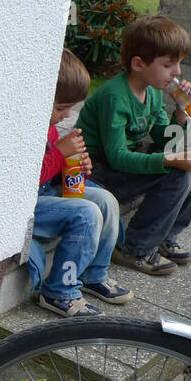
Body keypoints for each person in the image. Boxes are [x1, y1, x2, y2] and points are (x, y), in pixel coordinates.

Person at [74, 15, 191, 276]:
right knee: (179, 175)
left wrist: (182, 112)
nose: (178, 72)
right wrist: (168, 161)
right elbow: (117, 158)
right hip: (97, 171)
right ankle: (133, 248)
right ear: (138, 64)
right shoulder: (115, 96)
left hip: (123, 160)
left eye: (179, 63)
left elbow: (165, 140)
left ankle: (166, 235)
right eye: (169, 64)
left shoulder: (153, 91)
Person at [30, 49, 132, 317]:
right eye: (60, 108)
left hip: (45, 193)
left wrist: (75, 169)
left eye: (69, 109)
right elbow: (26, 181)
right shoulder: (25, 128)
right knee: (86, 214)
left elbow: (50, 175)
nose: (65, 115)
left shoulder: (50, 127)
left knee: (105, 200)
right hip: (25, 205)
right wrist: (59, 154)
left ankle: (93, 274)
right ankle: (58, 292)